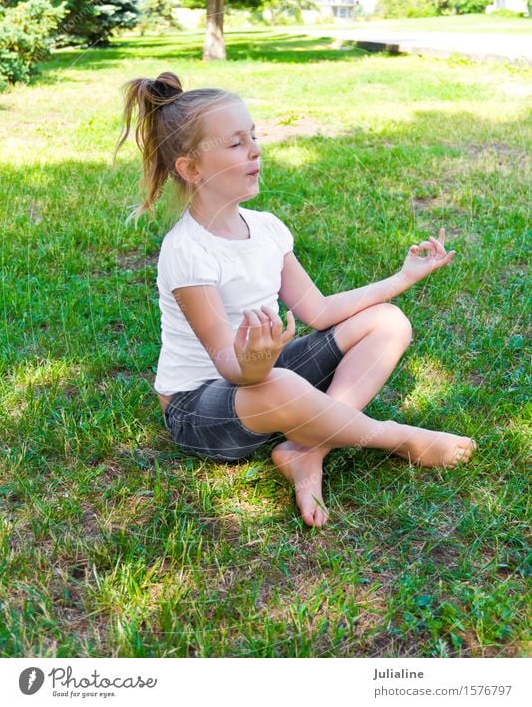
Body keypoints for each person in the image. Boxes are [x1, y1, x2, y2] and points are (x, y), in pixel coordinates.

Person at [113, 71, 477, 529]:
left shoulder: (267, 228)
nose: (255, 149)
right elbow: (227, 361)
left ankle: (308, 451)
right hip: (200, 408)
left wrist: (401, 278)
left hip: (261, 374)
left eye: (254, 137)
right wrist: (257, 365)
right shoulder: (188, 250)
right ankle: (398, 439)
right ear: (190, 169)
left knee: (388, 322)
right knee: (280, 383)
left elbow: (318, 311)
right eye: (235, 143)